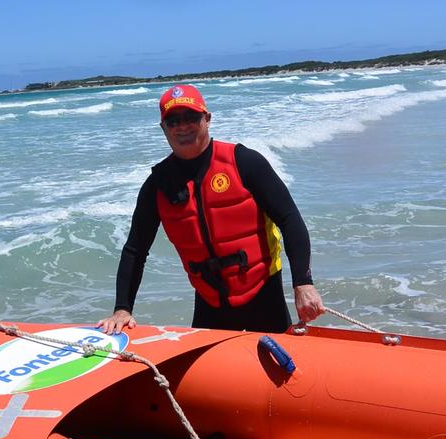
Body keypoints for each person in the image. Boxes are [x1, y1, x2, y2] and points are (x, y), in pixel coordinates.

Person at [97, 84, 324, 334]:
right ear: (163, 128)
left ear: (207, 118)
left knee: (279, 365)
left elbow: (289, 219)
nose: (182, 126)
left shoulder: (243, 162)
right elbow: (135, 250)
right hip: (209, 301)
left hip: (263, 293)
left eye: (190, 117)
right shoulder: (157, 186)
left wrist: (303, 284)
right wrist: (122, 309)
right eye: (172, 121)